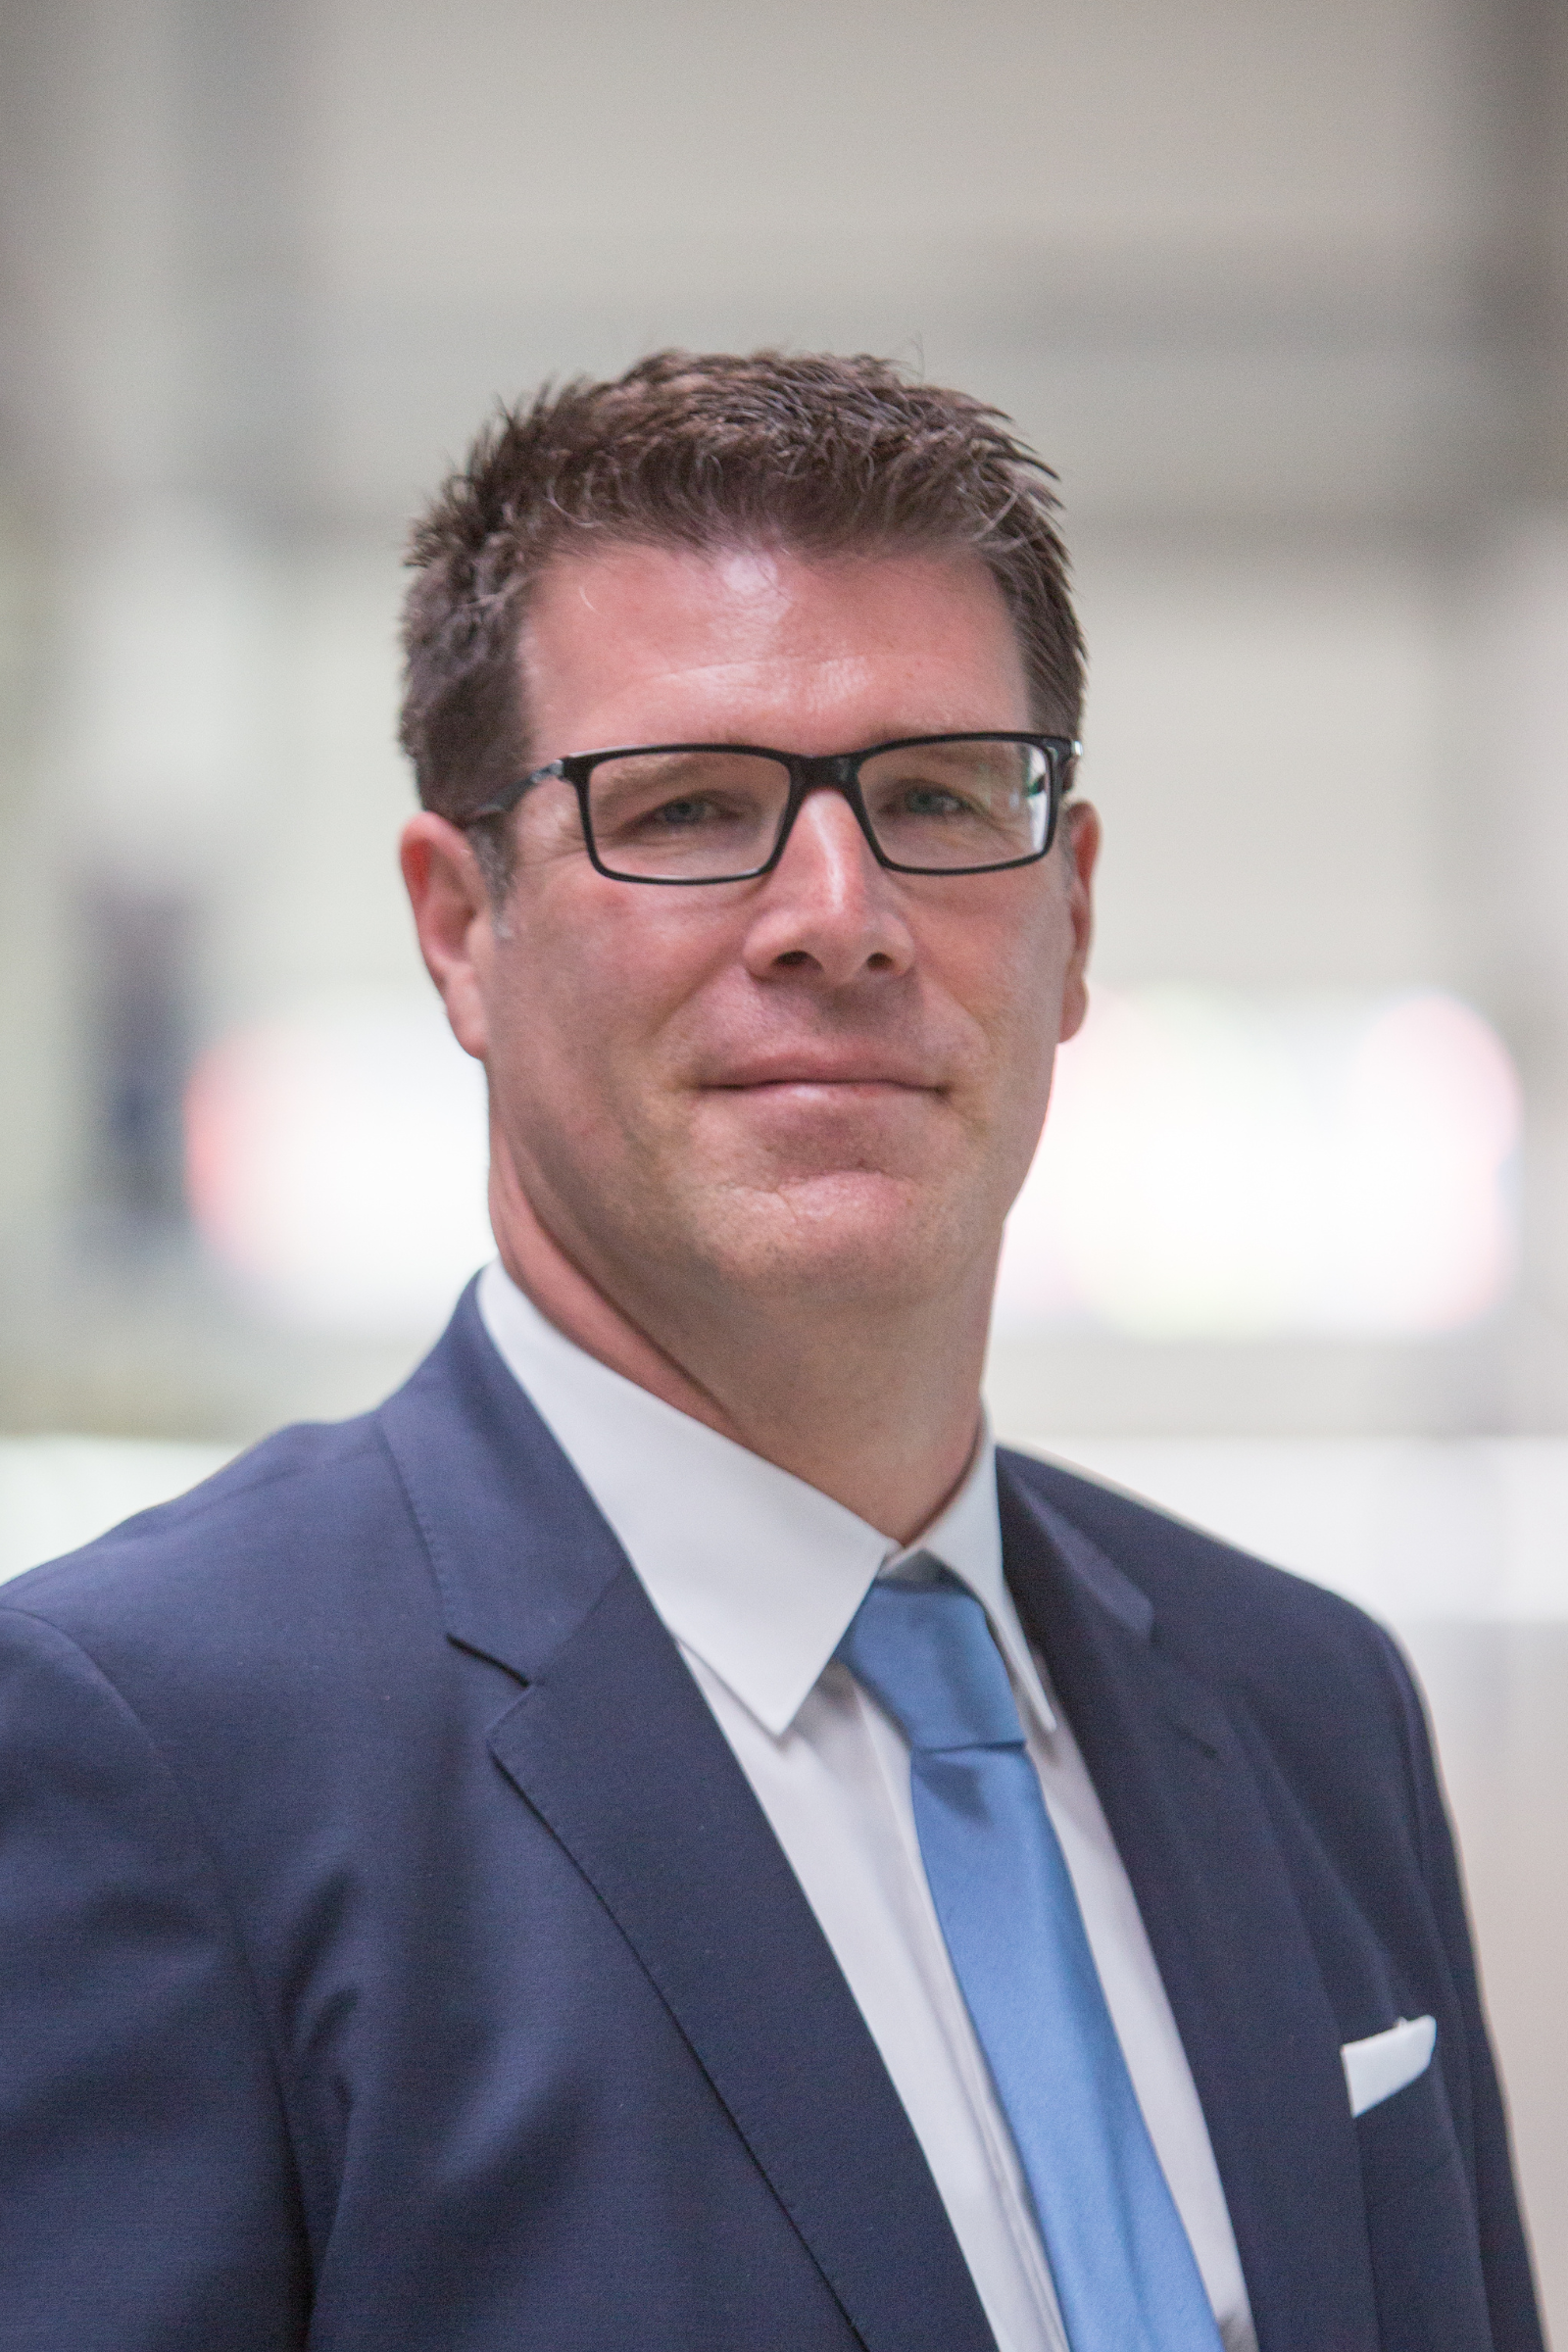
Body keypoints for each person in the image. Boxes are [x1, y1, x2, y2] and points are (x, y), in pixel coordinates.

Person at [0, 352, 1543, 2352]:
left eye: (935, 799)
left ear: (1070, 916)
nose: (840, 915)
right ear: (459, 928)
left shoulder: (1304, 1704)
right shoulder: (151, 1750)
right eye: (689, 808)